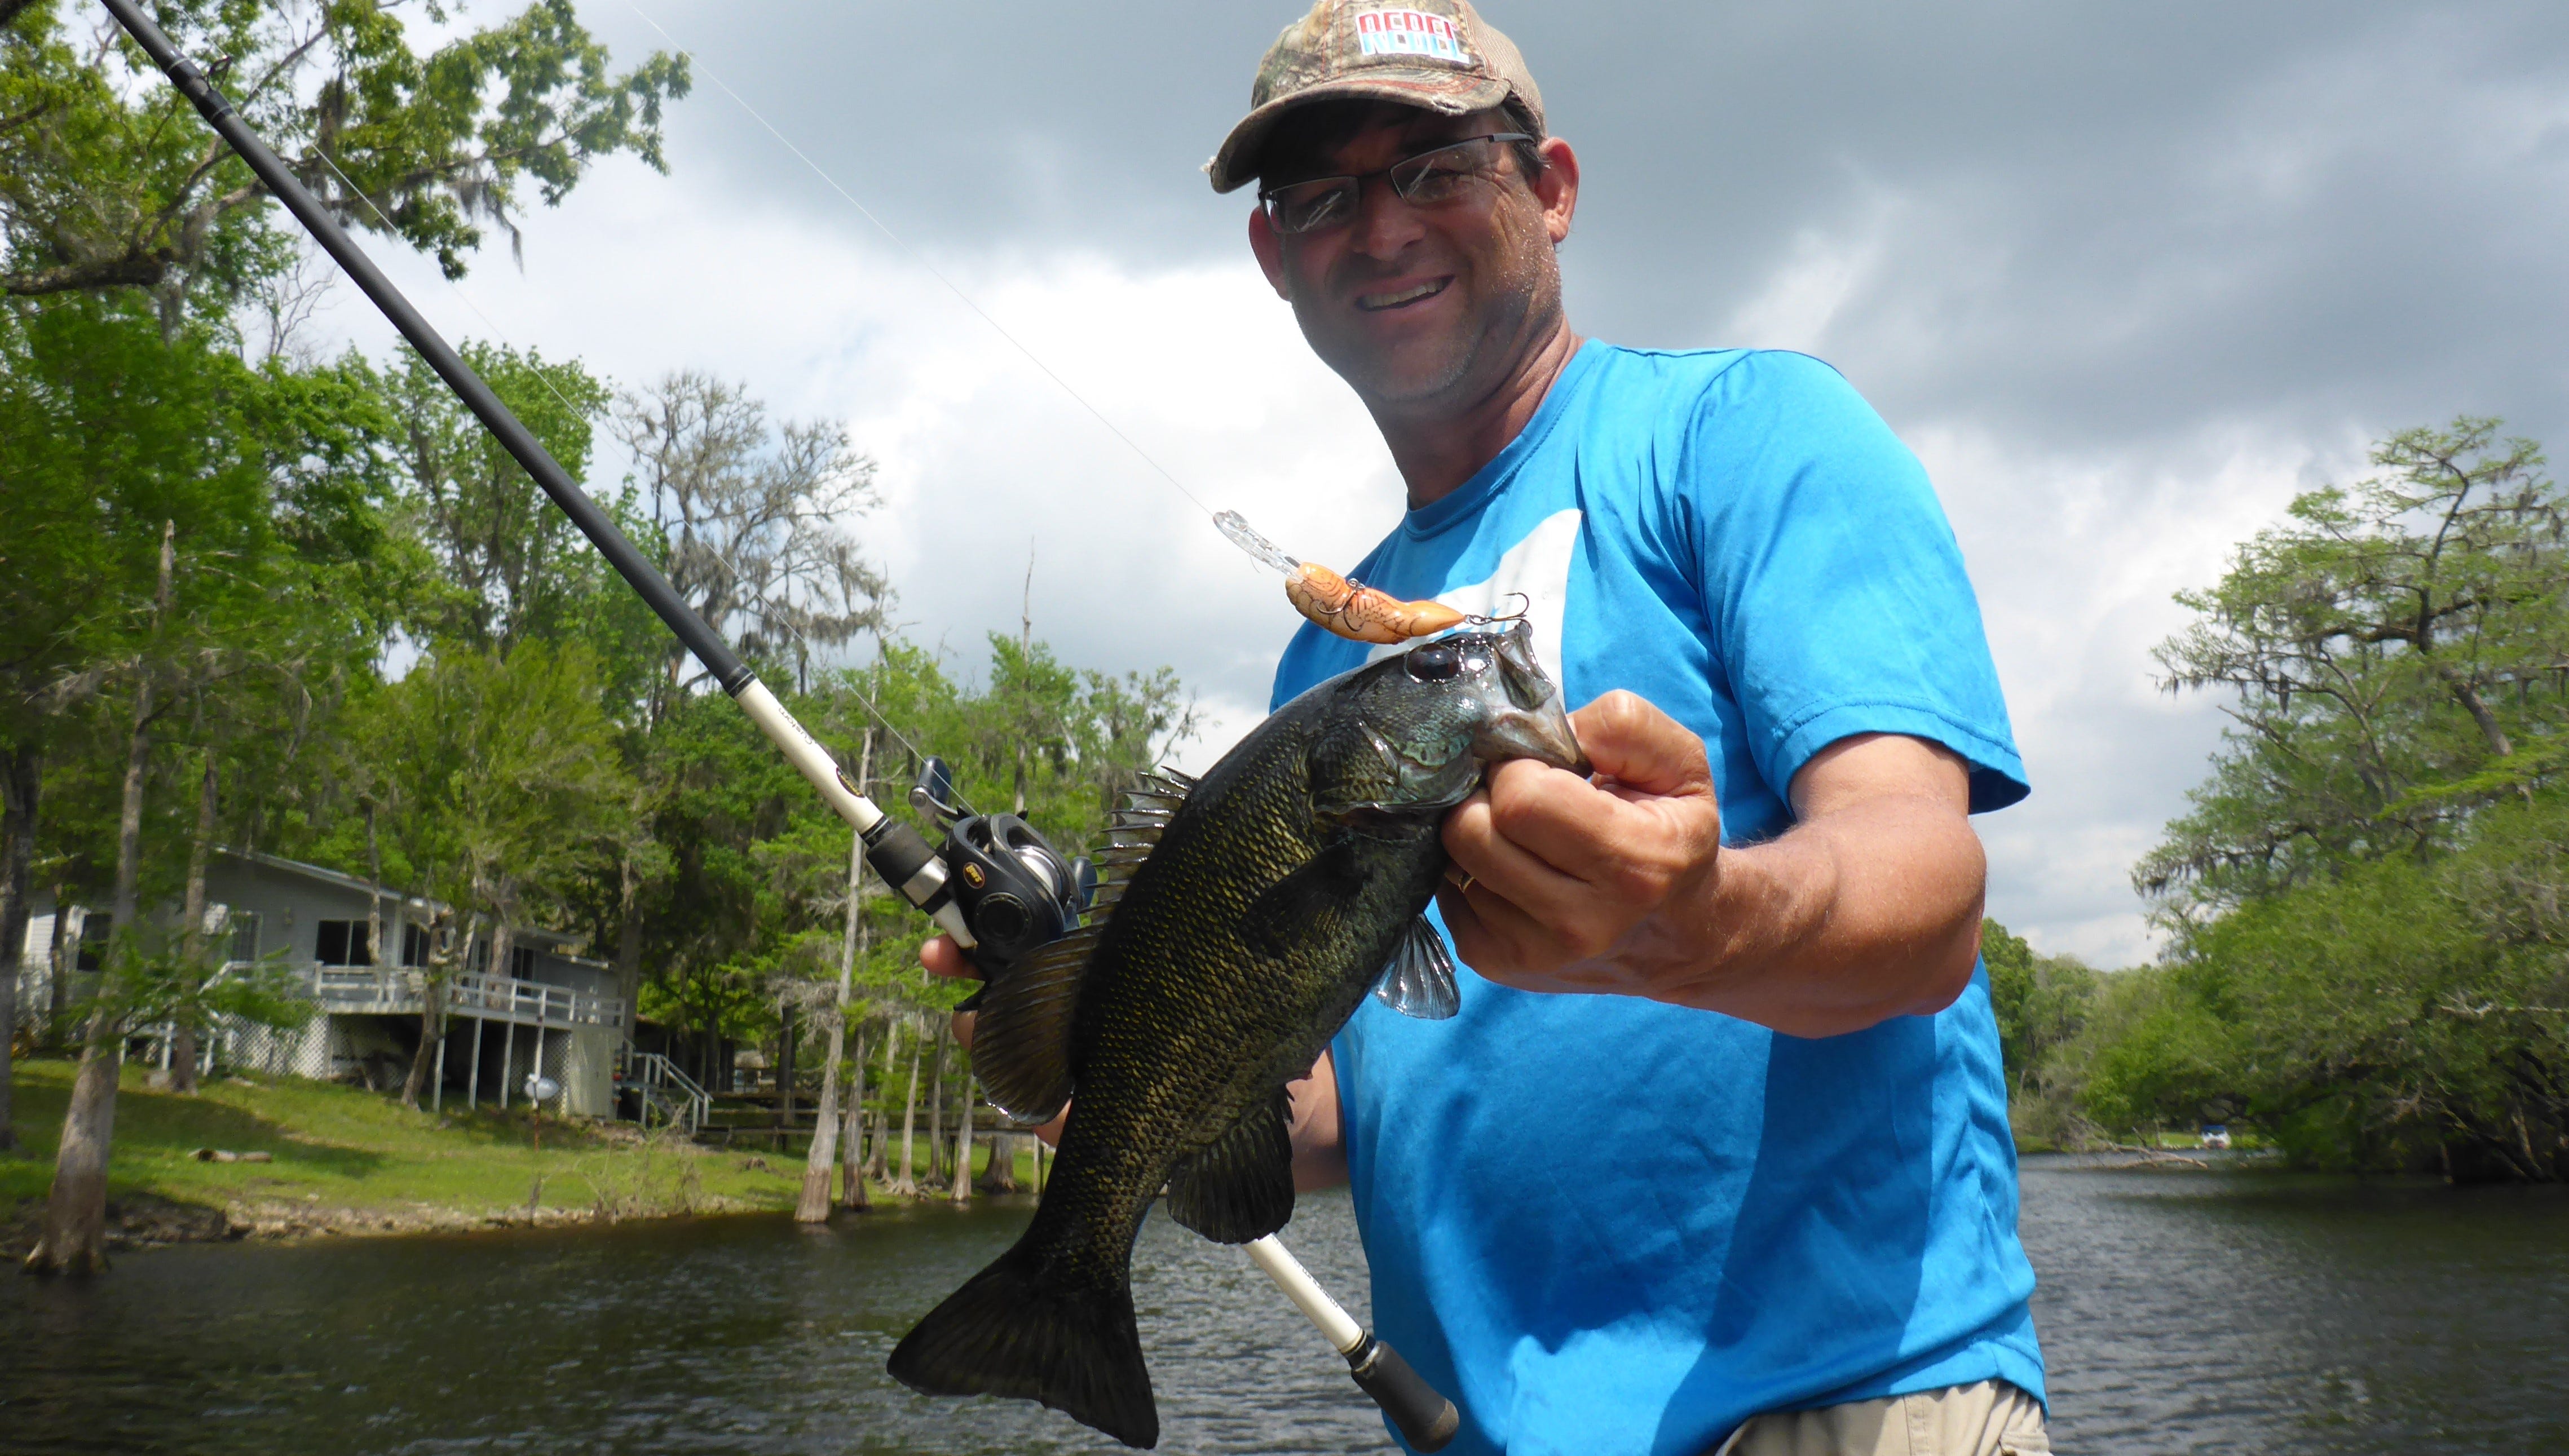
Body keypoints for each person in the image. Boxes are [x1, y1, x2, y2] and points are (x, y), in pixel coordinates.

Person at [926, 3, 2049, 1452]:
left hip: (1841, 1395)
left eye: (1436, 165)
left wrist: (1696, 917)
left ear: (1553, 187)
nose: (1379, 227)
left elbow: (1926, 896)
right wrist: (1098, 1016)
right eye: (1321, 196)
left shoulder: (1746, 432)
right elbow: (1339, 1110)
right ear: (1277, 258)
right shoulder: (1321, 663)